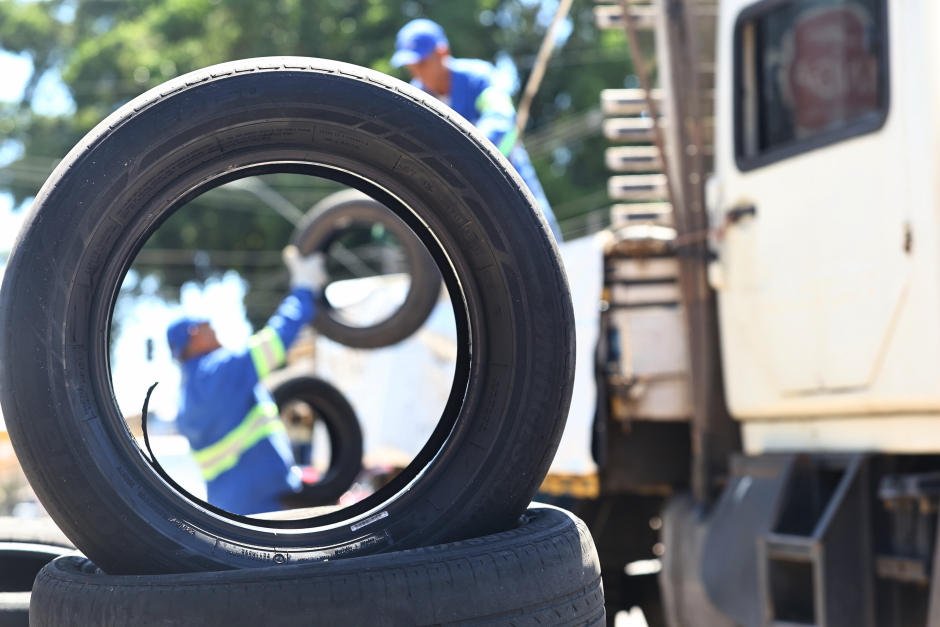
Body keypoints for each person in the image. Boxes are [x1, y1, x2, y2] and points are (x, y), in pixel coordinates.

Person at [166, 247, 326, 516]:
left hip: (230, 517)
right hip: (268, 509)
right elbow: (276, 339)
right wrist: (304, 288)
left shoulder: (184, 401)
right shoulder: (220, 373)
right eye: (208, 325)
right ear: (195, 335)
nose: (215, 329)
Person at [391, 18, 564, 242]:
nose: (417, 73)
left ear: (442, 53)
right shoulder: (416, 99)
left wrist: (465, 153)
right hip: (461, 199)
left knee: (544, 243)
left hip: (509, 180)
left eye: (422, 63)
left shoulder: (479, 78)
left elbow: (501, 116)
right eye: (411, 67)